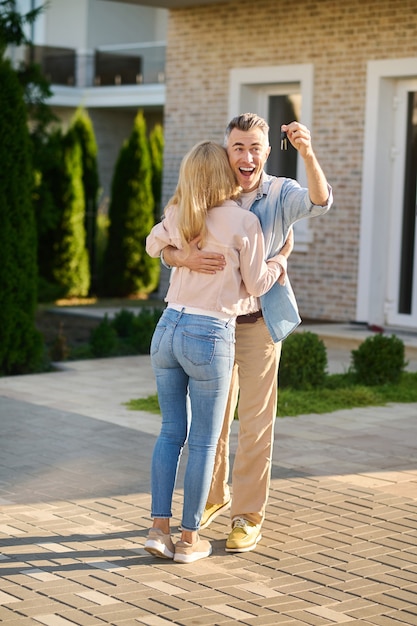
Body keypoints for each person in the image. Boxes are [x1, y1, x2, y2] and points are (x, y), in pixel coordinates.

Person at [162, 113, 333, 553]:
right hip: (209, 327)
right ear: (226, 151)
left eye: (255, 147)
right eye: (238, 147)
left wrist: (308, 153)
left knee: (255, 424)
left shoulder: (280, 192)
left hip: (257, 326)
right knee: (211, 422)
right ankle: (212, 498)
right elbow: (163, 241)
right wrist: (182, 260)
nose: (246, 155)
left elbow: (321, 200)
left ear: (267, 151)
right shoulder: (207, 193)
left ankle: (247, 515)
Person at [144, 140, 289, 564]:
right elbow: (259, 284)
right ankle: (189, 541)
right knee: (205, 440)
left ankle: (158, 529)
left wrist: (180, 255)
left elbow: (153, 245)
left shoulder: (178, 214)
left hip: (167, 328)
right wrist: (280, 260)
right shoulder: (244, 222)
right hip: (208, 334)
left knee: (171, 432)